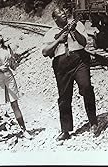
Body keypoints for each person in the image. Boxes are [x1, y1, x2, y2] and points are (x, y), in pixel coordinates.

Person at [42, 8, 98, 141]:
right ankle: (65, 130)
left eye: (64, 12)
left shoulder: (77, 25)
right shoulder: (51, 33)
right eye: (60, 14)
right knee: (64, 97)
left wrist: (73, 30)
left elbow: (83, 43)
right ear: (55, 19)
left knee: (86, 88)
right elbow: (45, 52)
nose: (63, 14)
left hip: (79, 60)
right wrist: (58, 41)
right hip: (62, 65)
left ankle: (93, 122)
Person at [0, 28, 31, 147]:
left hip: (9, 79)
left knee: (15, 105)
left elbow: (14, 66)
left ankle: (24, 130)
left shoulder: (7, 48)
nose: (0, 34)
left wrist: (13, 61)